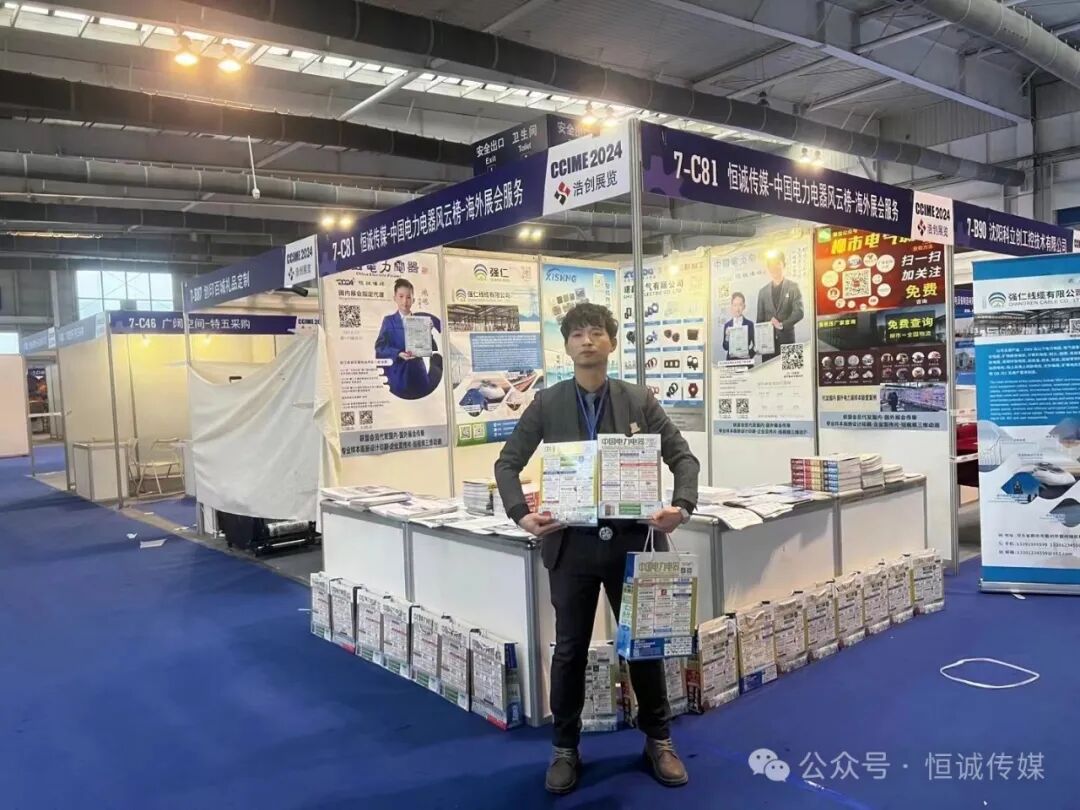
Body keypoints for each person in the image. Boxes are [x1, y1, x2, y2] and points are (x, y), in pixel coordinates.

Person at [494, 302, 700, 795]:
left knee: (643, 646)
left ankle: (659, 739)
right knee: (569, 650)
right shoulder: (547, 403)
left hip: (632, 543)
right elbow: (507, 463)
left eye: (596, 332)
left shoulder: (638, 400)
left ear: (611, 341)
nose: (587, 340)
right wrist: (521, 513)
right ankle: (565, 747)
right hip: (572, 547)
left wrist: (682, 506)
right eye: (577, 334)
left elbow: (682, 457)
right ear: (566, 346)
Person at [374, 278, 442, 400]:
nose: (405, 301)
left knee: (423, 404)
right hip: (398, 375)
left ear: (413, 300)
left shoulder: (420, 321)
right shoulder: (389, 321)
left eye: (408, 297)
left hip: (419, 374)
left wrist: (428, 331)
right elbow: (380, 347)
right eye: (401, 296)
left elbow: (429, 348)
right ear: (395, 298)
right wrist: (398, 353)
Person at [755, 250, 804, 362]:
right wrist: (759, 343)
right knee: (768, 372)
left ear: (784, 265)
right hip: (768, 344)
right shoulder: (762, 292)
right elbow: (759, 320)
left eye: (777, 263)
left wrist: (782, 325)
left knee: (792, 371)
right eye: (771, 265)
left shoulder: (793, 286)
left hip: (788, 340)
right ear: (768, 269)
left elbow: (799, 312)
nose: (774, 268)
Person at [721, 291, 755, 360]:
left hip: (745, 362)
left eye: (740, 305)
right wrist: (727, 336)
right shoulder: (727, 325)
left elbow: (756, 345)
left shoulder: (750, 324)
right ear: (731, 307)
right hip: (731, 362)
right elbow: (725, 347)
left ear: (744, 306)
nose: (737, 308)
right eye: (735, 305)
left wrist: (749, 355)